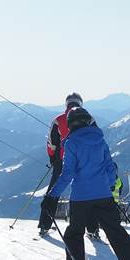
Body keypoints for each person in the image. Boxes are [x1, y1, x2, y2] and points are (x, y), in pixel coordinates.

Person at [47, 106, 130, 260]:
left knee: (74, 234)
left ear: (71, 124)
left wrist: (52, 196)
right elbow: (110, 168)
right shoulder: (100, 141)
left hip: (81, 198)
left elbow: (67, 174)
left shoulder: (71, 143)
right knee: (117, 233)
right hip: (104, 196)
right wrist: (106, 186)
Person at [39, 92, 101, 238]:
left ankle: (44, 225)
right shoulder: (89, 119)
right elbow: (95, 138)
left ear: (66, 104)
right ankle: (92, 229)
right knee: (89, 191)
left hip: (63, 160)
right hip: (85, 161)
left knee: (54, 190)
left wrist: (53, 158)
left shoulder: (58, 120)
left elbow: (51, 143)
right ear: (80, 103)